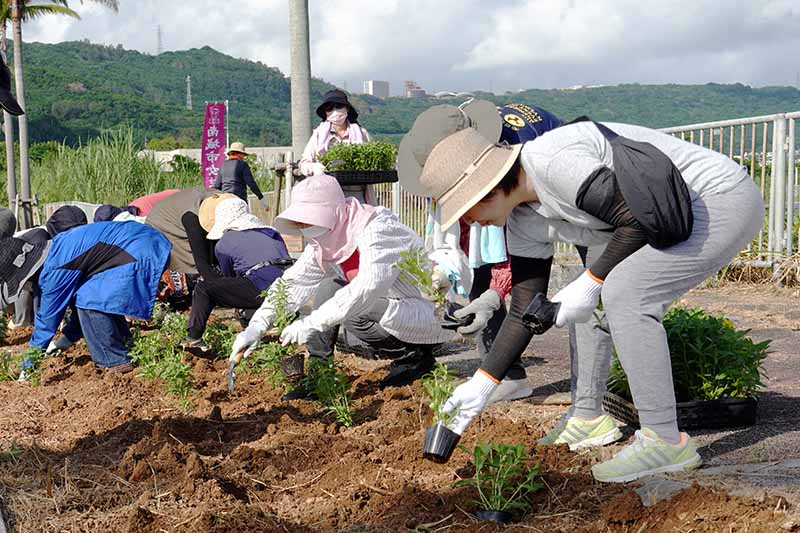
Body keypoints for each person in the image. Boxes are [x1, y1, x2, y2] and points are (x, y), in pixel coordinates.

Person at [419, 120, 763, 483]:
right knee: (594, 291)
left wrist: (591, 281)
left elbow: (636, 220)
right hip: (663, 212)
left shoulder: (554, 163)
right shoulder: (521, 220)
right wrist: (481, 383)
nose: (471, 223)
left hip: (717, 198)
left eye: (467, 211)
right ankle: (589, 418)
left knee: (626, 292)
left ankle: (665, 441)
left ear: (487, 189)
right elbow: (524, 305)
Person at [400, 101, 565, 403]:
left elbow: (519, 243)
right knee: (482, 279)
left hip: (562, 195)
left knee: (595, 303)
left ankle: (590, 401)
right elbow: (469, 235)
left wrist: (497, 290)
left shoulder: (509, 155)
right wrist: (451, 272)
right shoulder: (469, 174)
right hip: (521, 201)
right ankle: (508, 376)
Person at [230, 175, 451, 393]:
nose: (304, 225)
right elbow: (293, 282)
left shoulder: (377, 229)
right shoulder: (327, 239)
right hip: (390, 310)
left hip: (427, 312)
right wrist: (256, 327)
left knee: (353, 309)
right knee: (329, 287)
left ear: (331, 212)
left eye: (309, 219)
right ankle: (321, 376)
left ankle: (414, 357)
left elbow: (368, 287)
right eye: (302, 220)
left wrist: (311, 323)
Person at [6, 221, 171, 375]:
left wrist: (28, 368)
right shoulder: (56, 251)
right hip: (144, 241)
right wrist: (67, 338)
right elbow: (76, 308)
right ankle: (127, 346)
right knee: (90, 293)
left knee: (91, 299)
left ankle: (114, 361)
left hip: (140, 249)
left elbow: (46, 322)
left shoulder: (53, 271)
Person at [180, 197, 290, 356]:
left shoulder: (224, 242)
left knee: (205, 289)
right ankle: (274, 321)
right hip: (288, 288)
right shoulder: (271, 232)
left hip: (259, 286)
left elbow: (227, 277)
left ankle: (193, 337)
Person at [299, 89, 373, 204]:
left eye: (338, 106)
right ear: (325, 113)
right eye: (329, 108)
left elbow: (374, 160)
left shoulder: (361, 134)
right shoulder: (319, 135)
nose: (335, 111)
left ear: (347, 108)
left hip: (358, 197)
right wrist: (314, 167)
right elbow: (304, 163)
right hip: (327, 195)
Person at [145, 188, 235, 277]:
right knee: (197, 265)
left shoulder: (223, 200)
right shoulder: (193, 218)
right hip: (163, 226)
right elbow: (201, 263)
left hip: (183, 210)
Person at [213, 142, 269, 209]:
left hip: (225, 200)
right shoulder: (243, 165)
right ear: (239, 154)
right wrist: (261, 197)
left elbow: (217, 186)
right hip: (239, 199)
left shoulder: (223, 165)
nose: (244, 157)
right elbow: (251, 183)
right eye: (243, 155)